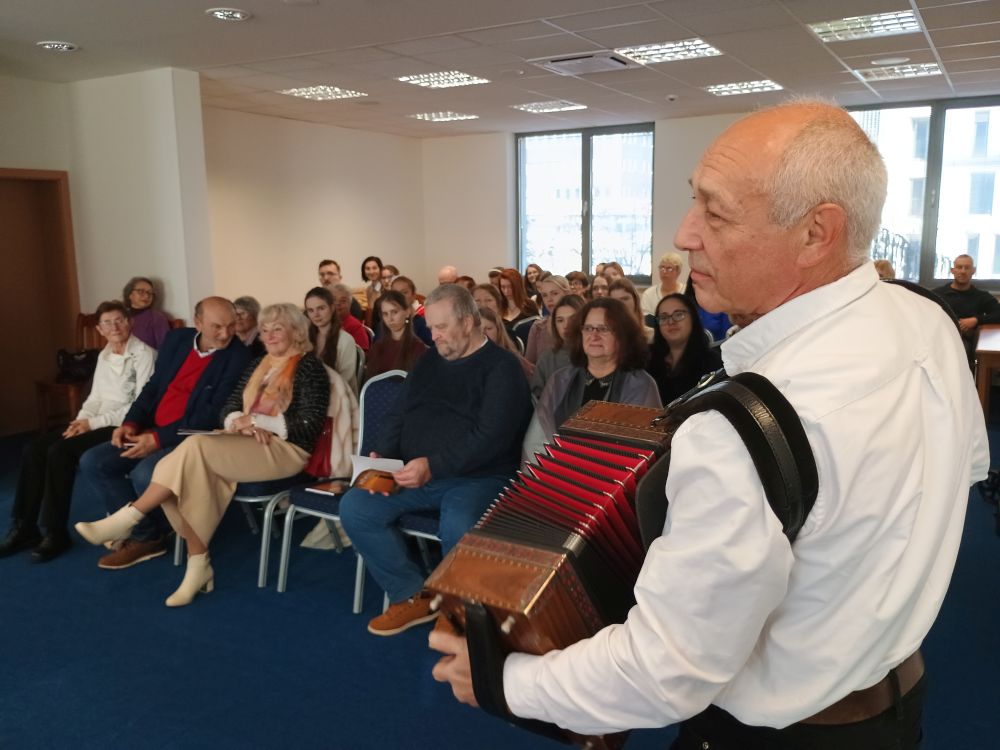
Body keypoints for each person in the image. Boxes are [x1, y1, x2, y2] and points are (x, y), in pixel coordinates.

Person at [431, 100, 988, 750]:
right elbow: (959, 474)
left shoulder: (741, 427)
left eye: (715, 212)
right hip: (896, 703)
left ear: (816, 233)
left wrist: (504, 683)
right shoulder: (926, 324)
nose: (684, 233)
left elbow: (668, 672)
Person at [75, 303, 329, 607]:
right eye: (265, 329)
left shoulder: (309, 366)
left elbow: (309, 423)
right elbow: (228, 408)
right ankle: (198, 565)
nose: (270, 335)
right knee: (187, 470)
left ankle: (130, 517)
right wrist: (240, 422)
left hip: (287, 450)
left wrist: (258, 421)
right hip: (246, 442)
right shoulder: (259, 363)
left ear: (297, 332)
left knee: (194, 447)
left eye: (278, 329)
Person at [339, 284, 532, 637]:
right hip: (416, 471)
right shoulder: (430, 360)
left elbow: (492, 438)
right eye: (432, 328)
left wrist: (434, 465)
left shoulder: (503, 368)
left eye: (442, 328)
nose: (435, 335)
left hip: (480, 476)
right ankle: (414, 594)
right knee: (355, 507)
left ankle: (458, 606)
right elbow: (398, 414)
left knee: (458, 523)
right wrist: (382, 453)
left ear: (470, 322)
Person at [77, 297, 251, 569]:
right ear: (198, 323)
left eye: (231, 326)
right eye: (217, 327)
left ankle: (144, 535)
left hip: (191, 436)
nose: (226, 334)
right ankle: (149, 533)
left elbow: (211, 414)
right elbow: (153, 387)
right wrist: (131, 423)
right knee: (94, 462)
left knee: (145, 473)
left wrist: (158, 439)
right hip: (153, 427)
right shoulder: (177, 340)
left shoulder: (238, 355)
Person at [0, 301, 156, 563]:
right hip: (96, 420)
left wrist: (92, 424)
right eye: (107, 322)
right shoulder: (104, 355)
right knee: (35, 449)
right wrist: (80, 421)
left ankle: (54, 532)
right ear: (99, 329)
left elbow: (140, 405)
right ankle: (24, 527)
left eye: (119, 320)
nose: (114, 327)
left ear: (130, 323)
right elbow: (95, 397)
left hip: (123, 425)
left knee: (60, 452)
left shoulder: (145, 355)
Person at [521, 297, 660, 460]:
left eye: (604, 328)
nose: (594, 336)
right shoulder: (559, 380)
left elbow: (641, 452)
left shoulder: (641, 385)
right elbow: (537, 441)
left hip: (614, 477)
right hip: (557, 474)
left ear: (623, 335)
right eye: (588, 328)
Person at [646, 293, 722, 404]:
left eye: (678, 315)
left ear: (693, 318)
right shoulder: (647, 358)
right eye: (664, 317)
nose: (671, 322)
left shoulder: (712, 363)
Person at [932, 253, 1000, 362]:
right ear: (952, 270)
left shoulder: (981, 296)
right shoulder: (937, 294)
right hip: (937, 338)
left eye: (967, 268)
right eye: (959, 267)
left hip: (963, 342)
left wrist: (976, 320)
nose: (963, 271)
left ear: (973, 271)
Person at [304, 287, 360, 395]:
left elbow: (345, 380)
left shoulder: (345, 340)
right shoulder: (306, 338)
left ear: (332, 308)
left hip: (339, 399)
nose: (316, 314)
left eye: (321, 308)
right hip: (311, 397)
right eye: (310, 310)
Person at [530, 294, 585, 399]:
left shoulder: (595, 355)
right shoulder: (547, 359)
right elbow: (537, 399)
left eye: (572, 319)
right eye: (560, 320)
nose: (566, 325)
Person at [364, 290, 428, 379]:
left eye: (394, 312)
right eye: (385, 314)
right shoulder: (377, 348)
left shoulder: (418, 349)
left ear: (407, 312)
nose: (390, 319)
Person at [524, 274, 572, 364]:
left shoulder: (580, 323)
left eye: (554, 293)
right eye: (545, 295)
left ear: (567, 294)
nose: (549, 299)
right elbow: (529, 364)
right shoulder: (538, 327)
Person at [479, 306, 534, 381]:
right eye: (478, 330)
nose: (483, 333)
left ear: (498, 330)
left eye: (488, 328)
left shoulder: (511, 360)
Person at [122, 276, 171, 349]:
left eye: (150, 293)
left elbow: (165, 347)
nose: (147, 296)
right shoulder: (120, 316)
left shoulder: (156, 317)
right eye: (141, 291)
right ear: (130, 294)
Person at [642, 252, 684, 322]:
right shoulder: (649, 294)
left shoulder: (686, 291)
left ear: (678, 271)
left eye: (669, 268)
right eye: (662, 268)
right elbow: (646, 321)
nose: (664, 272)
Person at [391, 276, 432, 346]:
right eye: (395, 293)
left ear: (413, 296)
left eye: (404, 292)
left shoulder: (422, 325)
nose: (400, 296)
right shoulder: (385, 324)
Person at [330, 283, 371, 351]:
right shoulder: (324, 323)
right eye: (334, 300)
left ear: (350, 303)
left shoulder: (355, 326)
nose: (338, 303)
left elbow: (363, 355)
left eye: (343, 301)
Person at [609, 277, 650, 342]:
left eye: (625, 299)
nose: (621, 304)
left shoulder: (651, 336)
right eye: (615, 301)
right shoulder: (605, 338)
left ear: (635, 300)